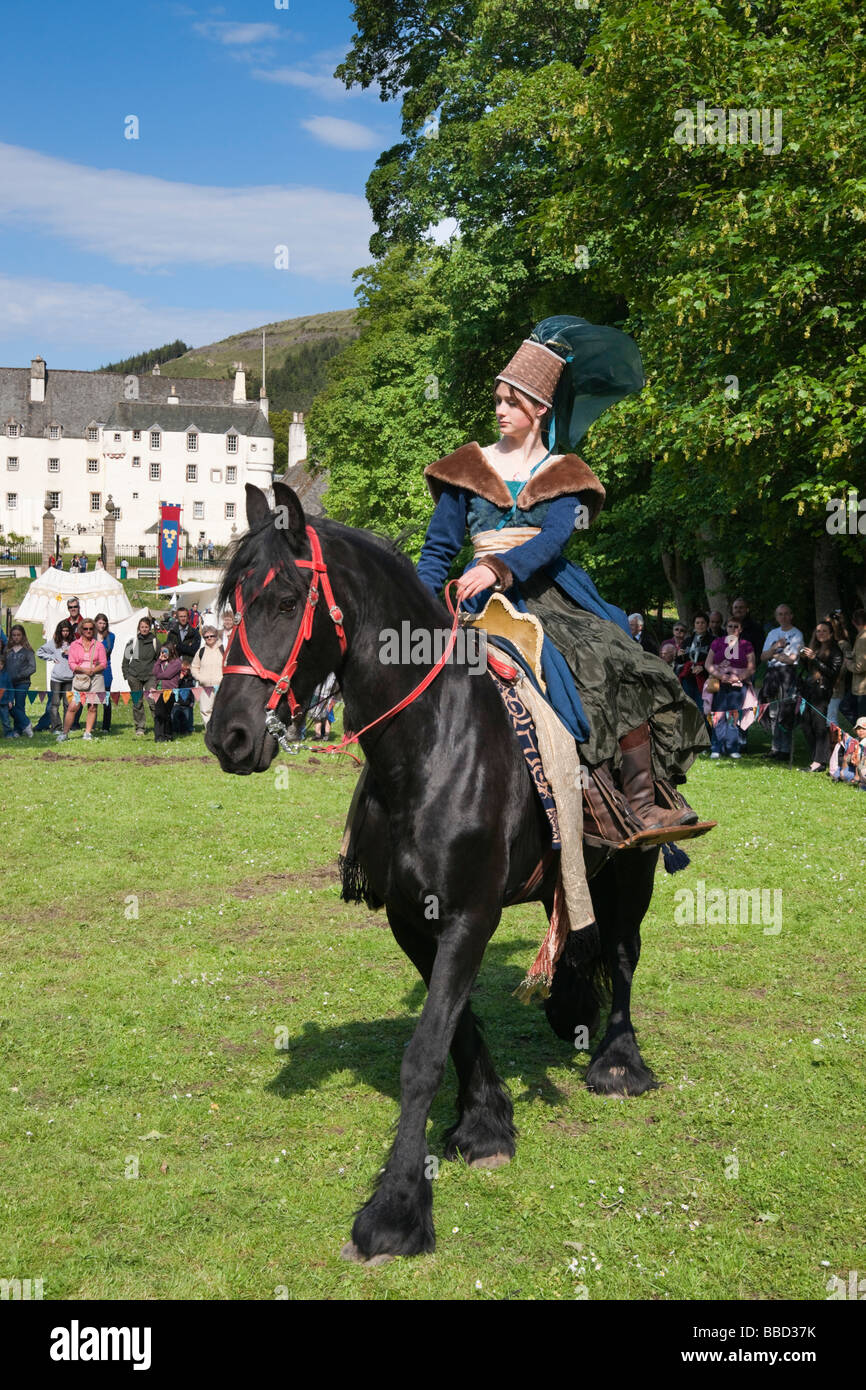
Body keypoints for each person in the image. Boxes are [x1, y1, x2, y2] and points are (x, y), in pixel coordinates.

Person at [415, 315, 710, 848]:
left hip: (548, 592)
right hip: (473, 596)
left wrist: (499, 569)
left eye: (512, 401)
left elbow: (554, 540)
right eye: (498, 400)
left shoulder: (562, 472)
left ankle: (641, 801)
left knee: (616, 658)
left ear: (539, 411)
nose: (500, 410)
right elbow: (438, 550)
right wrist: (415, 604)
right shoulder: (466, 468)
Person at [704, 616, 755, 759]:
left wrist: (737, 678)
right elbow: (708, 664)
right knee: (718, 714)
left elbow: (751, 667)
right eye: (730, 626)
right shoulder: (717, 642)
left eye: (736, 627)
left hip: (738, 684)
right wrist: (721, 676)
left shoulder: (746, 645)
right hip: (719, 683)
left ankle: (733, 747)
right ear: (726, 628)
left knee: (734, 715)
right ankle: (716, 747)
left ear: (741, 629)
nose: (733, 629)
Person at [759, 604, 804, 759]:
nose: (783, 617)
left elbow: (791, 659)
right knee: (772, 711)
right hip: (772, 674)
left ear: (791, 615)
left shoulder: (797, 634)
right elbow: (763, 657)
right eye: (780, 614)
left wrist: (774, 655)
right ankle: (775, 748)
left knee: (785, 712)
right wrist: (776, 647)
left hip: (787, 675)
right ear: (776, 616)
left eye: (786, 614)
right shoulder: (773, 633)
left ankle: (785, 749)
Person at [797, 621, 842, 772]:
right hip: (809, 690)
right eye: (818, 631)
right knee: (805, 724)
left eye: (824, 631)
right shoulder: (814, 647)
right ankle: (817, 757)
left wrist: (815, 659)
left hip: (822, 692)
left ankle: (819, 761)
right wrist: (803, 658)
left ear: (830, 633)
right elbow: (808, 670)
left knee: (819, 725)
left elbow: (832, 672)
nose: (820, 634)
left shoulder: (835, 651)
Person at [60, 619, 106, 741]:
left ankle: (87, 733)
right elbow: (71, 663)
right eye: (85, 629)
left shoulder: (99, 645)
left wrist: (93, 670)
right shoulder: (74, 645)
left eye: (91, 628)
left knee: (92, 707)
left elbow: (103, 663)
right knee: (73, 706)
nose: (88, 631)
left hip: (96, 678)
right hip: (80, 678)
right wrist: (84, 670)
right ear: (81, 630)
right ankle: (64, 733)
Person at [121, 617, 161, 736]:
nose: (144, 629)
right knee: (137, 703)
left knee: (152, 701)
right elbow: (125, 660)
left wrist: (158, 675)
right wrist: (127, 675)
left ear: (150, 628)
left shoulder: (155, 642)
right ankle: (140, 727)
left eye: (146, 627)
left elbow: (160, 659)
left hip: (150, 676)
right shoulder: (132, 642)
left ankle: (158, 726)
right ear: (139, 628)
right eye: (142, 627)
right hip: (134, 676)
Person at [38, 619, 75, 732]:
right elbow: (39, 652)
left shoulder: (74, 643)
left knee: (67, 704)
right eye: (63, 631)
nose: (65, 633)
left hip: (69, 678)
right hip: (56, 679)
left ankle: (66, 727)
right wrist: (52, 658)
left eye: (67, 630)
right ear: (59, 631)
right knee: (54, 704)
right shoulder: (54, 642)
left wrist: (71, 654)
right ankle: (56, 727)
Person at [4, 625, 36, 738]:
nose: (16, 637)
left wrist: (19, 676)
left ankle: (18, 730)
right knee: (8, 705)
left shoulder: (28, 651)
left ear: (23, 636)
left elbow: (33, 668)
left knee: (19, 705)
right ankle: (26, 723)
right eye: (14, 635)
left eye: (18, 635)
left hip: (23, 683)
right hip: (8, 683)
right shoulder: (7, 650)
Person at [190, 618, 224, 727]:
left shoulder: (223, 649)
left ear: (216, 636)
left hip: (221, 685)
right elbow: (194, 667)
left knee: (220, 710)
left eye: (211, 636)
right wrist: (200, 678)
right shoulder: (201, 651)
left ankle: (220, 731)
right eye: (206, 637)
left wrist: (224, 679)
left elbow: (228, 666)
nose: (209, 638)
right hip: (205, 686)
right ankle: (209, 730)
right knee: (205, 710)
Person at [150, 638, 182, 742]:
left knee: (166, 713)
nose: (163, 654)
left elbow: (168, 675)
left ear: (171, 651)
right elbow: (154, 672)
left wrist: (159, 676)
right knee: (159, 713)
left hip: (169, 691)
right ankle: (159, 737)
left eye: (165, 651)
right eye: (162, 651)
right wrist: (159, 660)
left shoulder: (176, 662)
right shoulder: (161, 662)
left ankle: (168, 735)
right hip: (158, 691)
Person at [680, 612, 711, 709]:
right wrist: (679, 656)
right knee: (688, 708)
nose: (700, 625)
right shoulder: (687, 641)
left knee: (703, 708)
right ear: (694, 624)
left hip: (705, 679)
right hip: (688, 678)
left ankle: (704, 724)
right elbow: (680, 662)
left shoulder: (714, 641)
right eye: (697, 623)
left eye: (702, 623)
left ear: (707, 624)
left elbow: (717, 661)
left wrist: (703, 668)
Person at [94, 613, 115, 733]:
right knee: (92, 698)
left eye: (104, 623)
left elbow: (106, 651)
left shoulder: (111, 636)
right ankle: (92, 722)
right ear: (96, 623)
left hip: (105, 669)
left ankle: (106, 726)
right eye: (100, 623)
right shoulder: (91, 635)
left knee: (106, 698)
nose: (102, 625)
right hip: (92, 669)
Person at [849, 608, 866, 720]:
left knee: (862, 721)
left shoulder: (862, 639)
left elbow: (860, 667)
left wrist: (848, 663)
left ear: (854, 622)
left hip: (863, 688)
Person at [172, 656, 196, 736]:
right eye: (183, 670)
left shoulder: (191, 679)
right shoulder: (177, 678)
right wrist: (180, 679)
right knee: (175, 717)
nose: (184, 672)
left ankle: (186, 730)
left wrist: (192, 701)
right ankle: (175, 730)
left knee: (187, 718)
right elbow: (175, 687)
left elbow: (193, 691)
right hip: (178, 702)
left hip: (187, 702)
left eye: (186, 670)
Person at [0, 648, 12, 737]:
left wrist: (10, 700)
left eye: (1, 664)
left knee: (6, 719)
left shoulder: (6, 675)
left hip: (4, 702)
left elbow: (11, 689)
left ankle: (8, 733)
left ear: (3, 665)